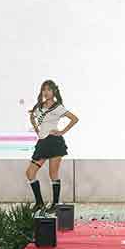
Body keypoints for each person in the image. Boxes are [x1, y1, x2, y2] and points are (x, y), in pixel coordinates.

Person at [24, 79, 79, 212]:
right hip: (42, 143)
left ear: (54, 91)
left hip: (54, 142)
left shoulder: (58, 107)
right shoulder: (39, 106)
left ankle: (55, 204)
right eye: (44, 89)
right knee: (30, 173)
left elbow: (74, 119)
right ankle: (39, 203)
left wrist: (62, 132)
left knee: (53, 174)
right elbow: (32, 117)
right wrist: (37, 129)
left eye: (49, 89)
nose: (46, 92)